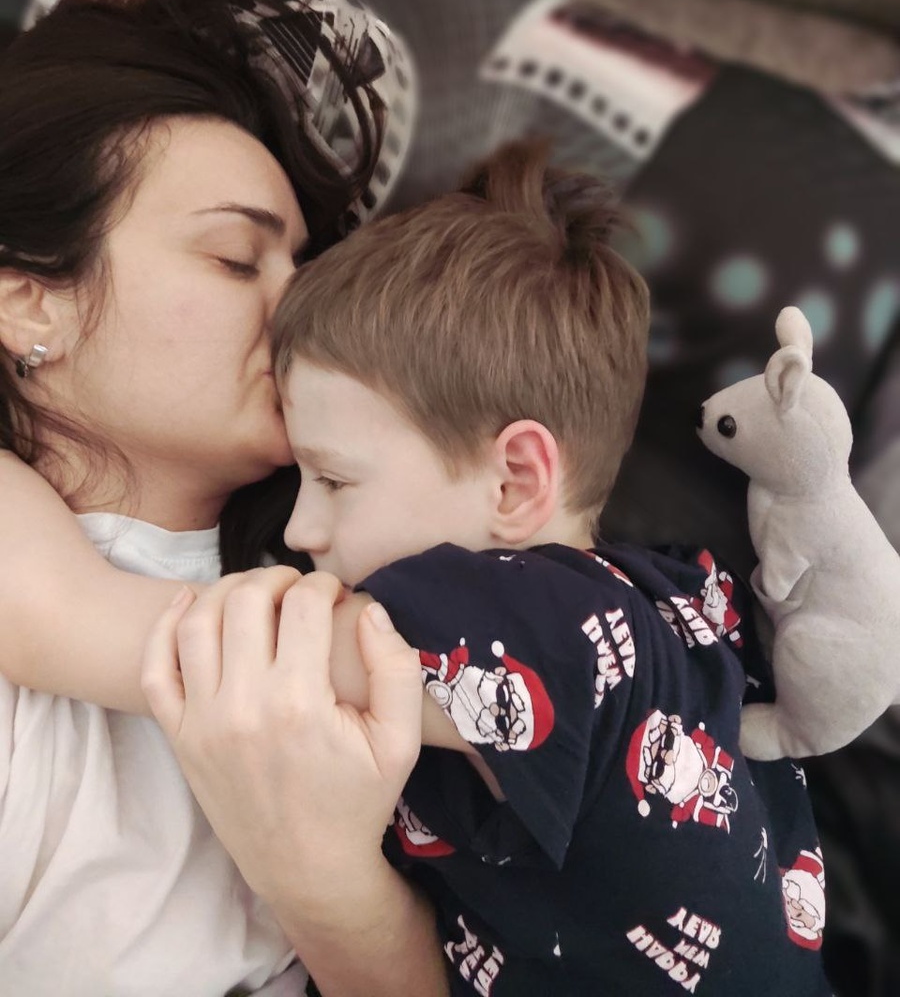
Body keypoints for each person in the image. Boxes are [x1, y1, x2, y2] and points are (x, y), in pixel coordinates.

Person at [2, 127, 830, 992]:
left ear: (514, 482)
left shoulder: (550, 631)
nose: (301, 530)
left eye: (334, 480)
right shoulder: (679, 604)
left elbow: (78, 623)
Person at [0, 0, 450, 995]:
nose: (304, 314)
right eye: (235, 258)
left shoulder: (374, 566)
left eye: (306, 268)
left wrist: (323, 880)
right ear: (29, 302)